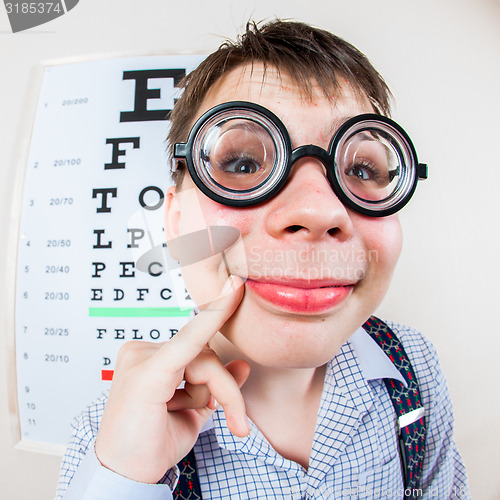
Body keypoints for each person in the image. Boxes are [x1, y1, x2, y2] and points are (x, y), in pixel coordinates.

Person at [56, 20, 469, 499]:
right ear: (174, 221)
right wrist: (122, 480)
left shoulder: (415, 367)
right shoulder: (106, 439)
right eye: (243, 165)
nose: (318, 211)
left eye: (361, 168)